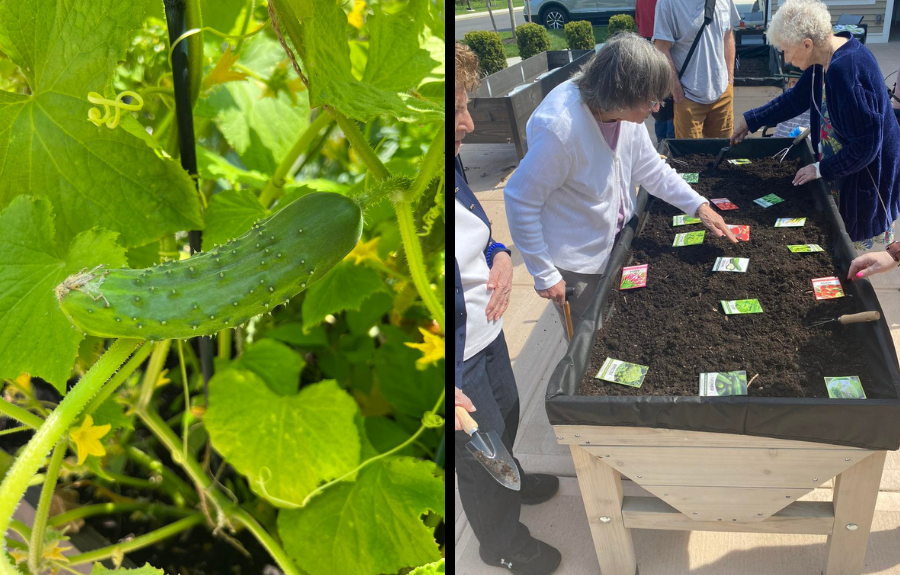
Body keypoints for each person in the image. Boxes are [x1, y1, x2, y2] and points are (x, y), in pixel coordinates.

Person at [504, 33, 738, 330]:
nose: (656, 109)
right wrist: (543, 272)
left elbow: (651, 170)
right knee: (588, 339)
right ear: (623, 94)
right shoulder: (560, 131)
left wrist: (699, 206)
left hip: (616, 243)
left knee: (616, 324)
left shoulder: (623, 116)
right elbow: (519, 198)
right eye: (652, 101)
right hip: (578, 264)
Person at [454, 42, 563, 575]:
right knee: (478, 451)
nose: (469, 124)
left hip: (486, 327)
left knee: (508, 415)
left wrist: (499, 258)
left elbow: (478, 236)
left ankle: (512, 475)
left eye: (467, 104)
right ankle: (498, 542)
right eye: (456, 109)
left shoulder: (448, 166)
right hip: (454, 352)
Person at [731, 0, 900, 249]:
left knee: (850, 244)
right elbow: (795, 99)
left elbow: (867, 145)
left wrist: (821, 169)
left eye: (787, 51)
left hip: (866, 174)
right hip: (846, 162)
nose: (786, 59)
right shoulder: (824, 57)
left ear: (807, 44)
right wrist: (751, 119)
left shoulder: (846, 71)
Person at [653, 0, 741, 138]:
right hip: (687, 95)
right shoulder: (668, 3)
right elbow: (661, 48)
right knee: (690, 156)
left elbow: (728, 36)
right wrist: (676, 90)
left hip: (722, 94)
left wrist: (730, 80)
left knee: (723, 154)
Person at [636, 0, 674, 142]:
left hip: (647, 46)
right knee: (670, 100)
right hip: (663, 45)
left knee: (657, 96)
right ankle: (670, 141)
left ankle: (661, 142)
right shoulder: (665, 3)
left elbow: (638, 21)